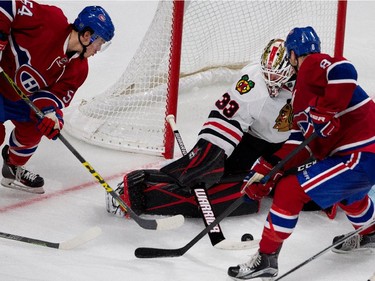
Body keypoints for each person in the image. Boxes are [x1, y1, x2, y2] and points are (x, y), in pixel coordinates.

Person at [227, 26, 375, 280]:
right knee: (350, 194)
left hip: (363, 153)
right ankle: (369, 232)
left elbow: (345, 70)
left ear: (293, 55)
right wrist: (267, 169)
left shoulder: (311, 65)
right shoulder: (300, 97)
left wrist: (329, 109)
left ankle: (266, 258)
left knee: (289, 190)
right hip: (355, 156)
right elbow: (300, 144)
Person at [106, 38, 298, 218]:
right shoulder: (253, 83)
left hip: (288, 144)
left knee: (291, 191)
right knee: (217, 180)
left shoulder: (303, 79)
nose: (271, 79)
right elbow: (226, 118)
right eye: (268, 73)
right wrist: (209, 156)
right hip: (253, 140)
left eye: (276, 74)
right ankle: (138, 192)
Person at [0, 1, 115, 194]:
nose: (98, 50)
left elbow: (54, 96)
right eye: (99, 43)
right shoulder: (50, 20)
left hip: (23, 98)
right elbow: (7, 4)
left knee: (42, 124)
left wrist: (50, 115)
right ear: (87, 35)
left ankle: (12, 167)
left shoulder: (79, 69)